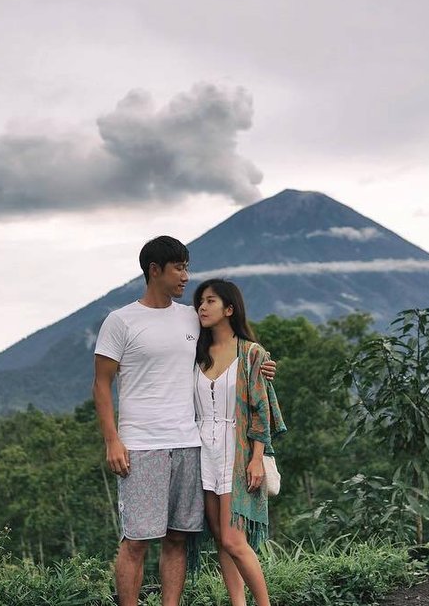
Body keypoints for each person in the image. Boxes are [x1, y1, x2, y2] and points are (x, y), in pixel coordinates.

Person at [92, 236, 274, 606]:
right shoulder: (120, 321)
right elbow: (101, 384)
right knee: (137, 541)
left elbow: (232, 347)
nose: (186, 277)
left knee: (178, 538)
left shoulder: (192, 317)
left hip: (191, 445)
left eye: (187, 267)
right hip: (141, 445)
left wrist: (263, 365)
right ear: (154, 270)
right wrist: (112, 439)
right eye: (179, 268)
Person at [193, 278, 285, 606]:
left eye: (210, 301)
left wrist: (257, 457)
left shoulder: (252, 354)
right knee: (220, 536)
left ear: (229, 309)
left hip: (238, 451)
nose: (202, 307)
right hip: (203, 452)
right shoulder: (196, 353)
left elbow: (261, 411)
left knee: (234, 538)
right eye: (200, 301)